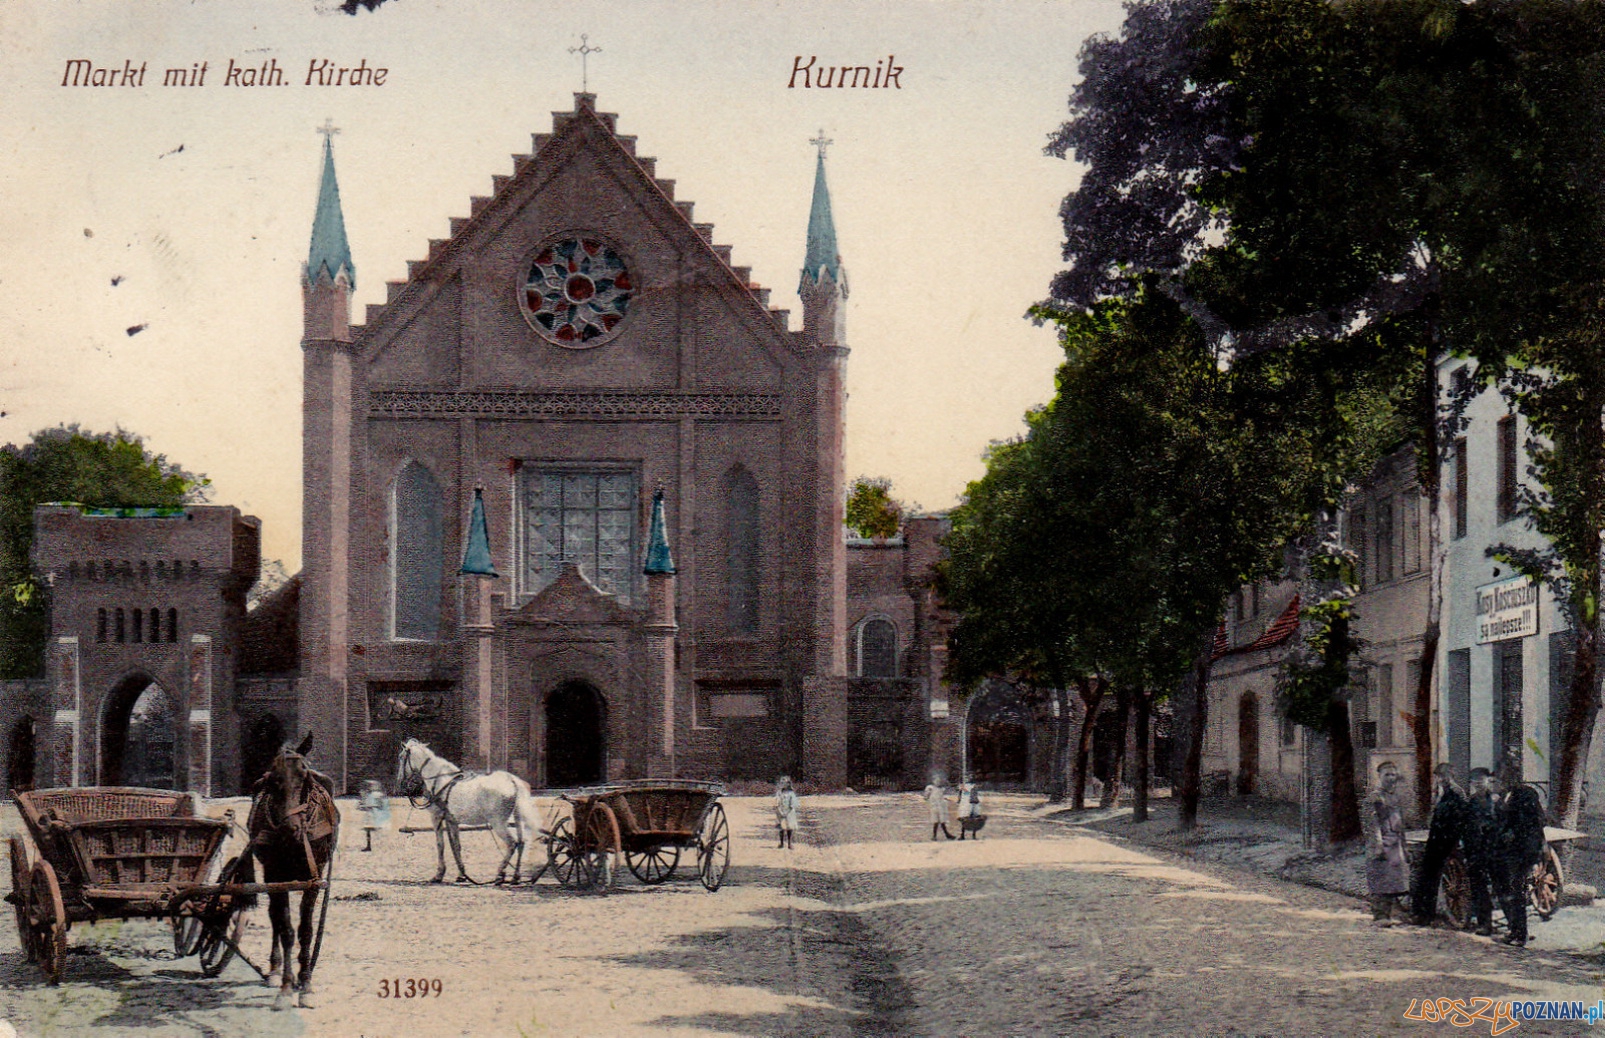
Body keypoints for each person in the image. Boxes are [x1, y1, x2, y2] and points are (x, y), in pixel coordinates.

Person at [1495, 772, 1548, 947]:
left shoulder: (1523, 795)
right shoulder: (1512, 796)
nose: (1499, 784)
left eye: (1501, 780)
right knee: (1515, 890)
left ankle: (1520, 935)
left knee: (1517, 891)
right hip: (1520, 850)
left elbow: (1526, 823)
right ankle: (1516, 931)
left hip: (1523, 850)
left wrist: (1510, 833)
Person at [1411, 763, 1466, 925]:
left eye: (1444, 776)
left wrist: (1455, 839)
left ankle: (1426, 915)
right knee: (1426, 876)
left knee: (1431, 876)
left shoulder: (1457, 793)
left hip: (1447, 840)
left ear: (1451, 775)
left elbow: (1460, 818)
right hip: (1436, 839)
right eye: (1439, 776)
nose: (1441, 779)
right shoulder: (1441, 793)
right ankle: (1422, 913)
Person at [1366, 761, 1409, 924]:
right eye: (1387, 775)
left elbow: (1400, 824)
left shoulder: (1395, 797)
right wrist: (1378, 844)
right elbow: (1371, 823)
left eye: (1393, 774)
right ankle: (1379, 915)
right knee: (1380, 877)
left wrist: (1404, 847)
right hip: (1381, 840)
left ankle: (1389, 913)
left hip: (1395, 841)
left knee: (1393, 878)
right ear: (1379, 776)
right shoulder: (1374, 797)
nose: (1391, 778)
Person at [1463, 767, 1499, 936]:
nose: (1478, 783)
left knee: (1501, 886)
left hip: (1493, 849)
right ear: (1471, 783)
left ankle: (1515, 926)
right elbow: (1466, 826)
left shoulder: (1496, 800)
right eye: (1474, 780)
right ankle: (1485, 924)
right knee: (1479, 887)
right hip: (1475, 851)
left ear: (1488, 780)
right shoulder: (1470, 802)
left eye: (1481, 779)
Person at [358, 778, 391, 852]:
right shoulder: (366, 795)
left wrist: (375, 807)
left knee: (377, 830)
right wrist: (363, 806)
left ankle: (381, 845)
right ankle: (369, 845)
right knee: (368, 830)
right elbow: (362, 805)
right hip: (369, 814)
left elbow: (382, 804)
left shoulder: (377, 795)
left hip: (375, 813)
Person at [923, 773, 955, 841]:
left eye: (939, 781)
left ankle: (944, 835)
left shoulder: (941, 789)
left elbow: (943, 796)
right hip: (934, 806)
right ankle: (937, 835)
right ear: (933, 781)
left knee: (942, 821)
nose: (938, 782)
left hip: (941, 806)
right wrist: (928, 795)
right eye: (936, 780)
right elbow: (925, 797)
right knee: (936, 821)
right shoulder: (930, 788)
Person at [774, 775, 800, 850]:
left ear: (788, 784)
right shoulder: (779, 793)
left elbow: (793, 804)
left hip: (789, 812)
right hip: (781, 811)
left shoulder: (791, 793)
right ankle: (781, 843)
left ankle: (789, 843)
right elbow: (777, 802)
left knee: (789, 827)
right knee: (781, 827)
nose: (782, 784)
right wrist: (780, 810)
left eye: (784, 783)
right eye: (781, 783)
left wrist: (789, 810)